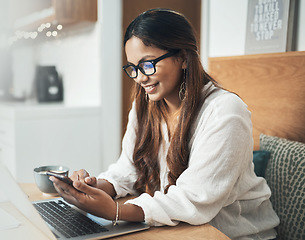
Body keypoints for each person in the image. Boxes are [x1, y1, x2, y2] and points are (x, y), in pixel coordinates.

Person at [49, 8, 279, 239]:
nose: (139, 77)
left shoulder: (225, 111)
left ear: (183, 58)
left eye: (148, 64)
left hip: (231, 234)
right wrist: (92, 188)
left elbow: (193, 199)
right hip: (183, 230)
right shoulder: (144, 106)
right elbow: (128, 169)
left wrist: (115, 211)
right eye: (133, 68)